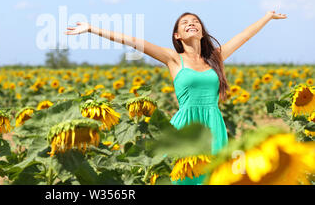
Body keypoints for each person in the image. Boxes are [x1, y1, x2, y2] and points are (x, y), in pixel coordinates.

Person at [64, 10, 288, 184]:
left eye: (195, 21)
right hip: (184, 128)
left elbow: (244, 36)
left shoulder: (216, 58)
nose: (192, 23)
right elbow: (133, 41)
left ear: (201, 31)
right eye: (185, 22)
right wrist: (92, 29)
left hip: (213, 127)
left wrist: (267, 17)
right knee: (180, 178)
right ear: (177, 35)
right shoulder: (173, 58)